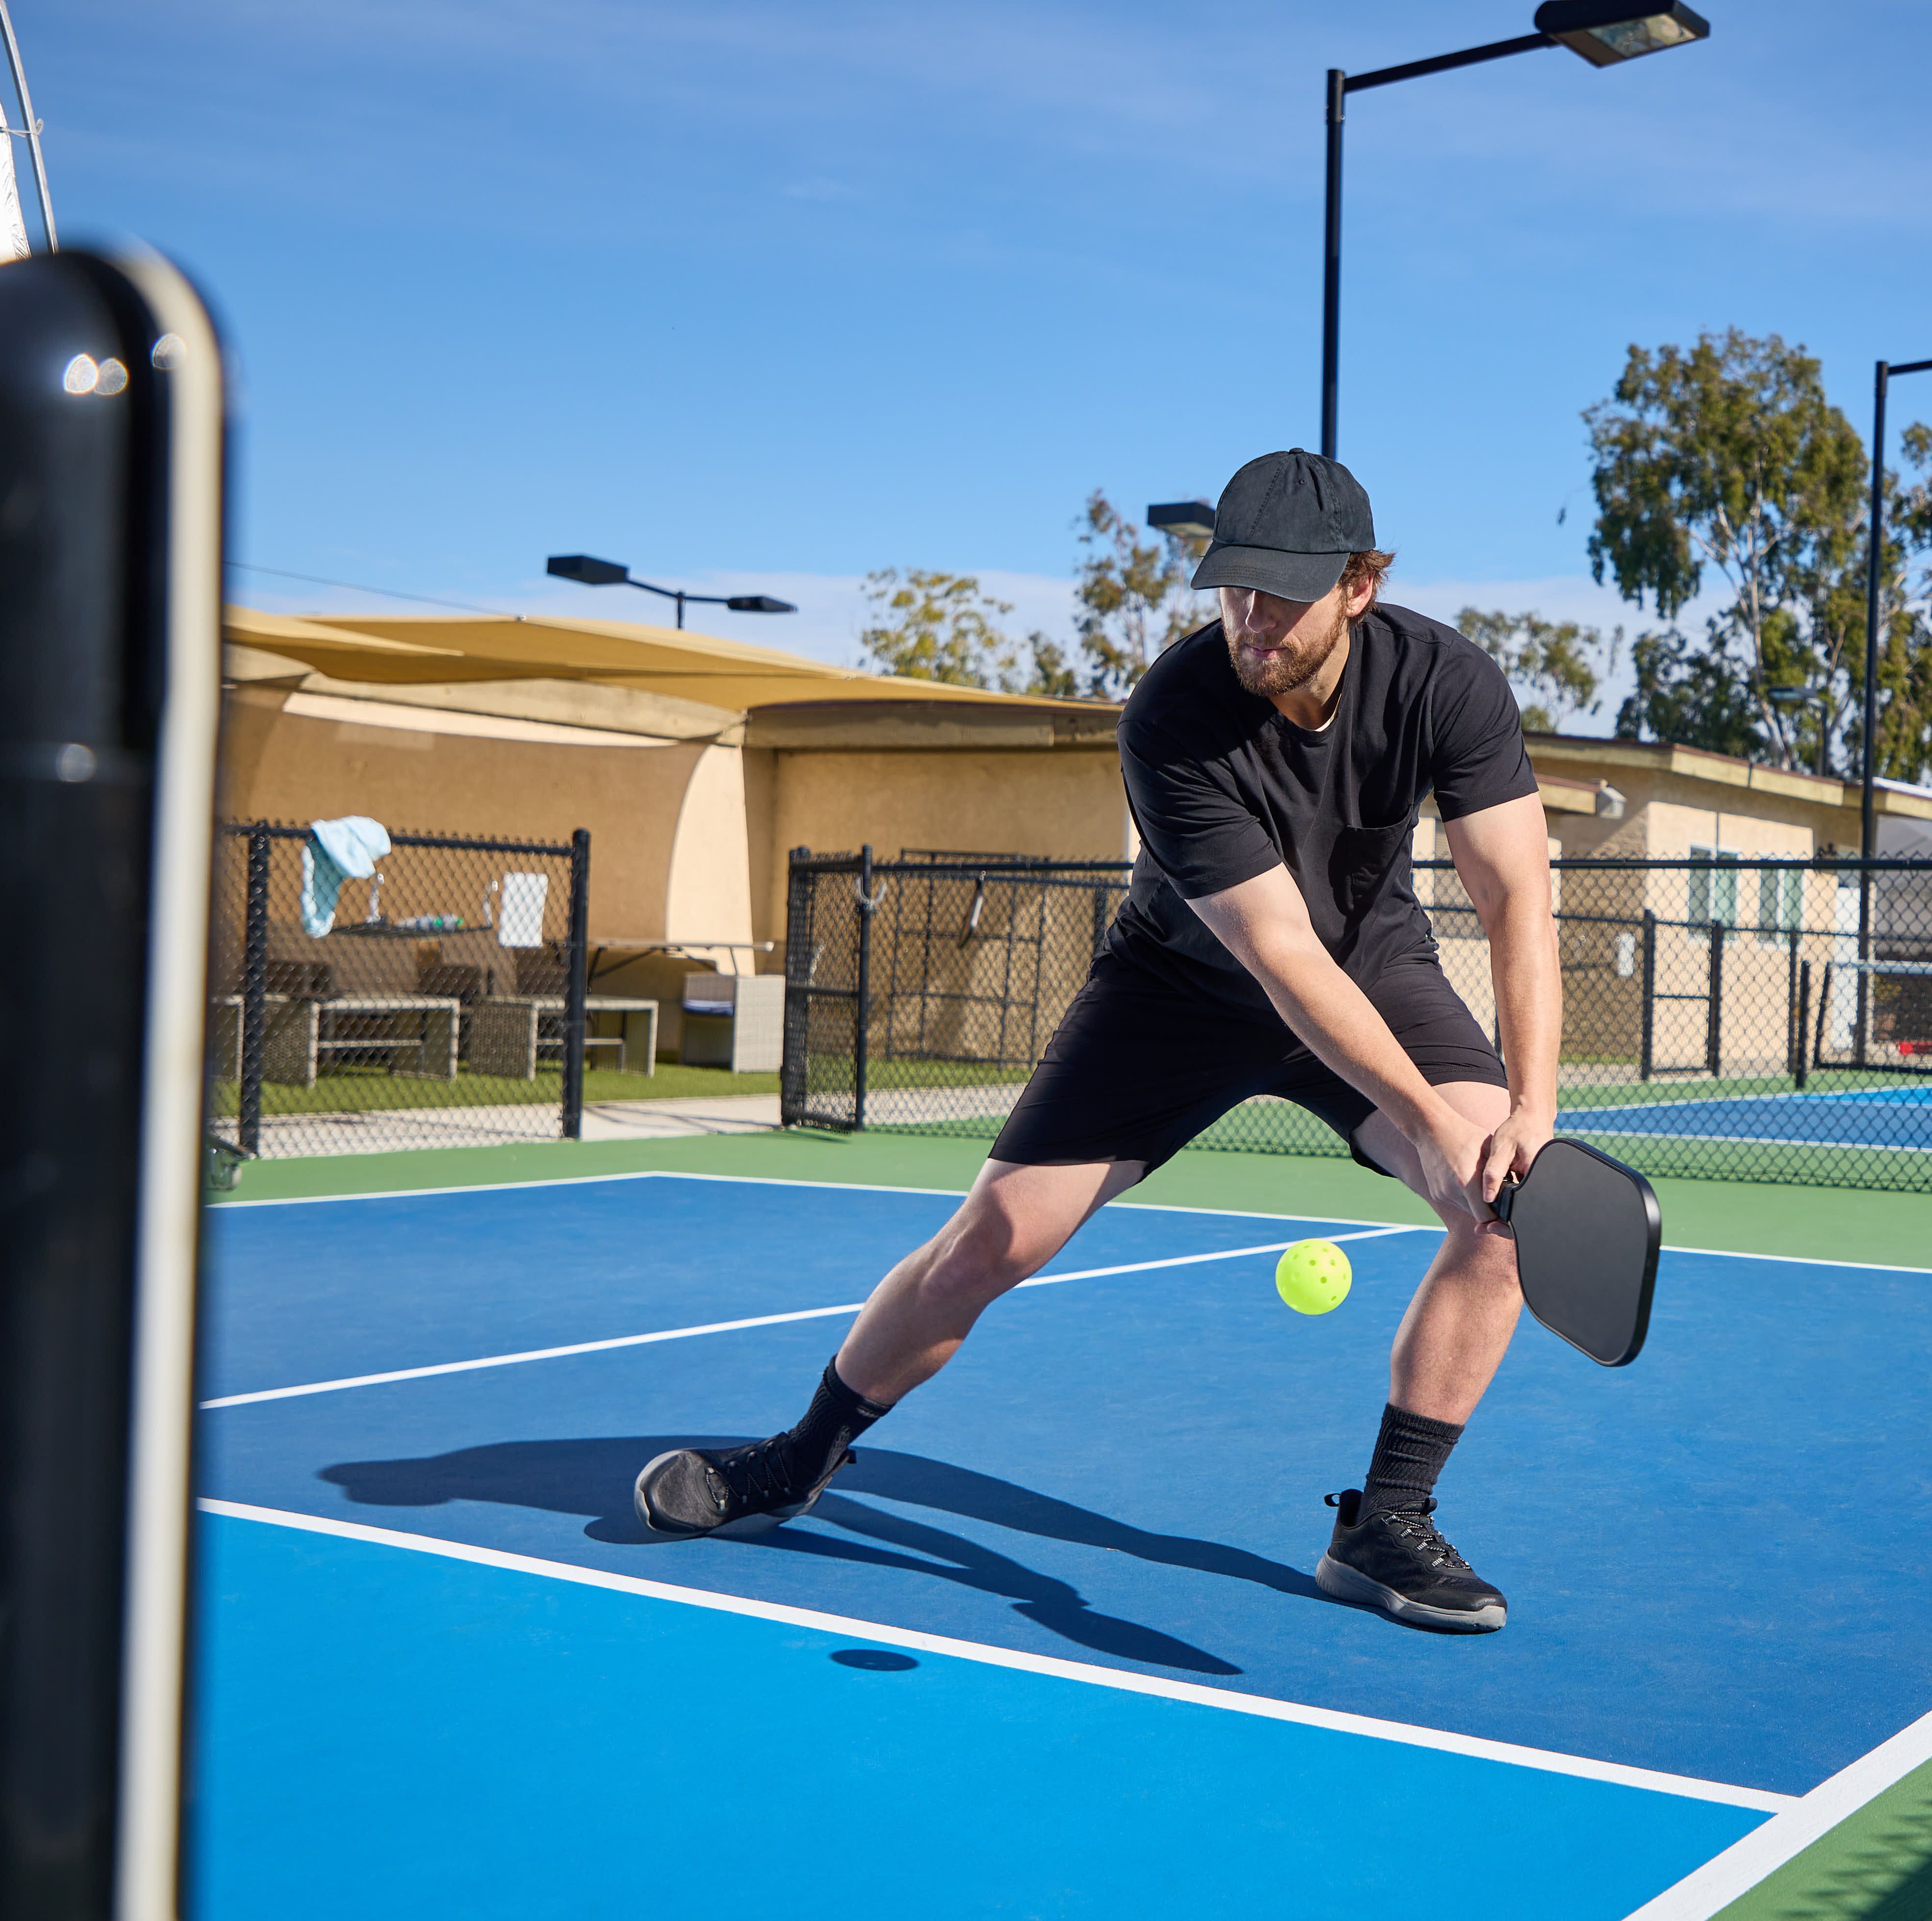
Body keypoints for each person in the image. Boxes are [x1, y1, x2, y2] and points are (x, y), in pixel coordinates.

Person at [632, 450, 1560, 1634]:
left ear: (1361, 585)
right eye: (1233, 586)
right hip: (1178, 983)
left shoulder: (1449, 682)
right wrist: (1433, 1124)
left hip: (1376, 964)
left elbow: (1514, 897)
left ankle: (1386, 1518)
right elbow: (1279, 958)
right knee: (988, 1244)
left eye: (1282, 591)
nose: (1251, 615)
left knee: (1507, 1207)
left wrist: (1525, 1112)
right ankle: (798, 1456)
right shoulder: (1174, 716)